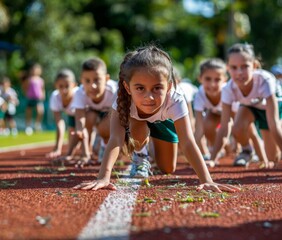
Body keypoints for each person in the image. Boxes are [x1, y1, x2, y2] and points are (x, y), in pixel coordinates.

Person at [74, 45, 240, 193]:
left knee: (168, 168)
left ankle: (151, 146)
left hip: (163, 122)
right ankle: (140, 155)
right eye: (140, 88)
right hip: (136, 123)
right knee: (137, 125)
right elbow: (116, 139)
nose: (149, 97)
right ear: (127, 87)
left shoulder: (176, 99)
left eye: (157, 88)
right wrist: (104, 177)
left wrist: (207, 180)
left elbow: (188, 142)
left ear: (168, 86)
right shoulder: (121, 99)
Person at [210, 43, 282, 168]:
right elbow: (224, 126)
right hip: (252, 106)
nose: (239, 72)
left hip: (274, 107)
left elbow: (273, 123)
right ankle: (247, 150)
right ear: (228, 68)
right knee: (236, 127)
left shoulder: (265, 81)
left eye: (244, 67)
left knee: (273, 158)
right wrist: (212, 158)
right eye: (234, 67)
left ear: (254, 66)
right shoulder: (228, 89)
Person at [194, 58, 263, 166]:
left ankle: (251, 152)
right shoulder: (199, 94)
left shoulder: (228, 92)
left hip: (232, 112)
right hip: (216, 113)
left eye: (217, 80)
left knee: (244, 129)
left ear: (224, 79)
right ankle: (220, 150)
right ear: (200, 79)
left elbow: (237, 125)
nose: (212, 84)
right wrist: (196, 152)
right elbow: (198, 129)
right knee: (206, 124)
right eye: (207, 79)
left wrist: (237, 142)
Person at [59, 57, 118, 167]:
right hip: (95, 113)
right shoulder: (80, 93)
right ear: (81, 80)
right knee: (88, 117)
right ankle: (92, 149)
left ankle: (105, 144)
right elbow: (80, 125)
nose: (92, 86)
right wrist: (85, 154)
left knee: (104, 129)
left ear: (106, 79)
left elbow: (119, 122)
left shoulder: (114, 91)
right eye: (87, 81)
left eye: (97, 80)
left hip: (113, 115)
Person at [47, 69, 79, 159]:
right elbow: (59, 123)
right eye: (60, 86)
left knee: (79, 141)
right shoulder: (55, 96)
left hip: (89, 116)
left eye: (67, 86)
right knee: (72, 143)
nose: (64, 90)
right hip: (72, 115)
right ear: (56, 86)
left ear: (74, 85)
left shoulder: (79, 94)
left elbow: (83, 122)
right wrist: (57, 148)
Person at [22, 63, 45, 135]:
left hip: (38, 98)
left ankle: (37, 125)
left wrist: (43, 95)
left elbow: (42, 88)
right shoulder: (29, 79)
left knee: (40, 111)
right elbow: (24, 87)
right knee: (29, 112)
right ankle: (28, 126)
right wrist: (26, 93)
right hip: (30, 98)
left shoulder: (41, 80)